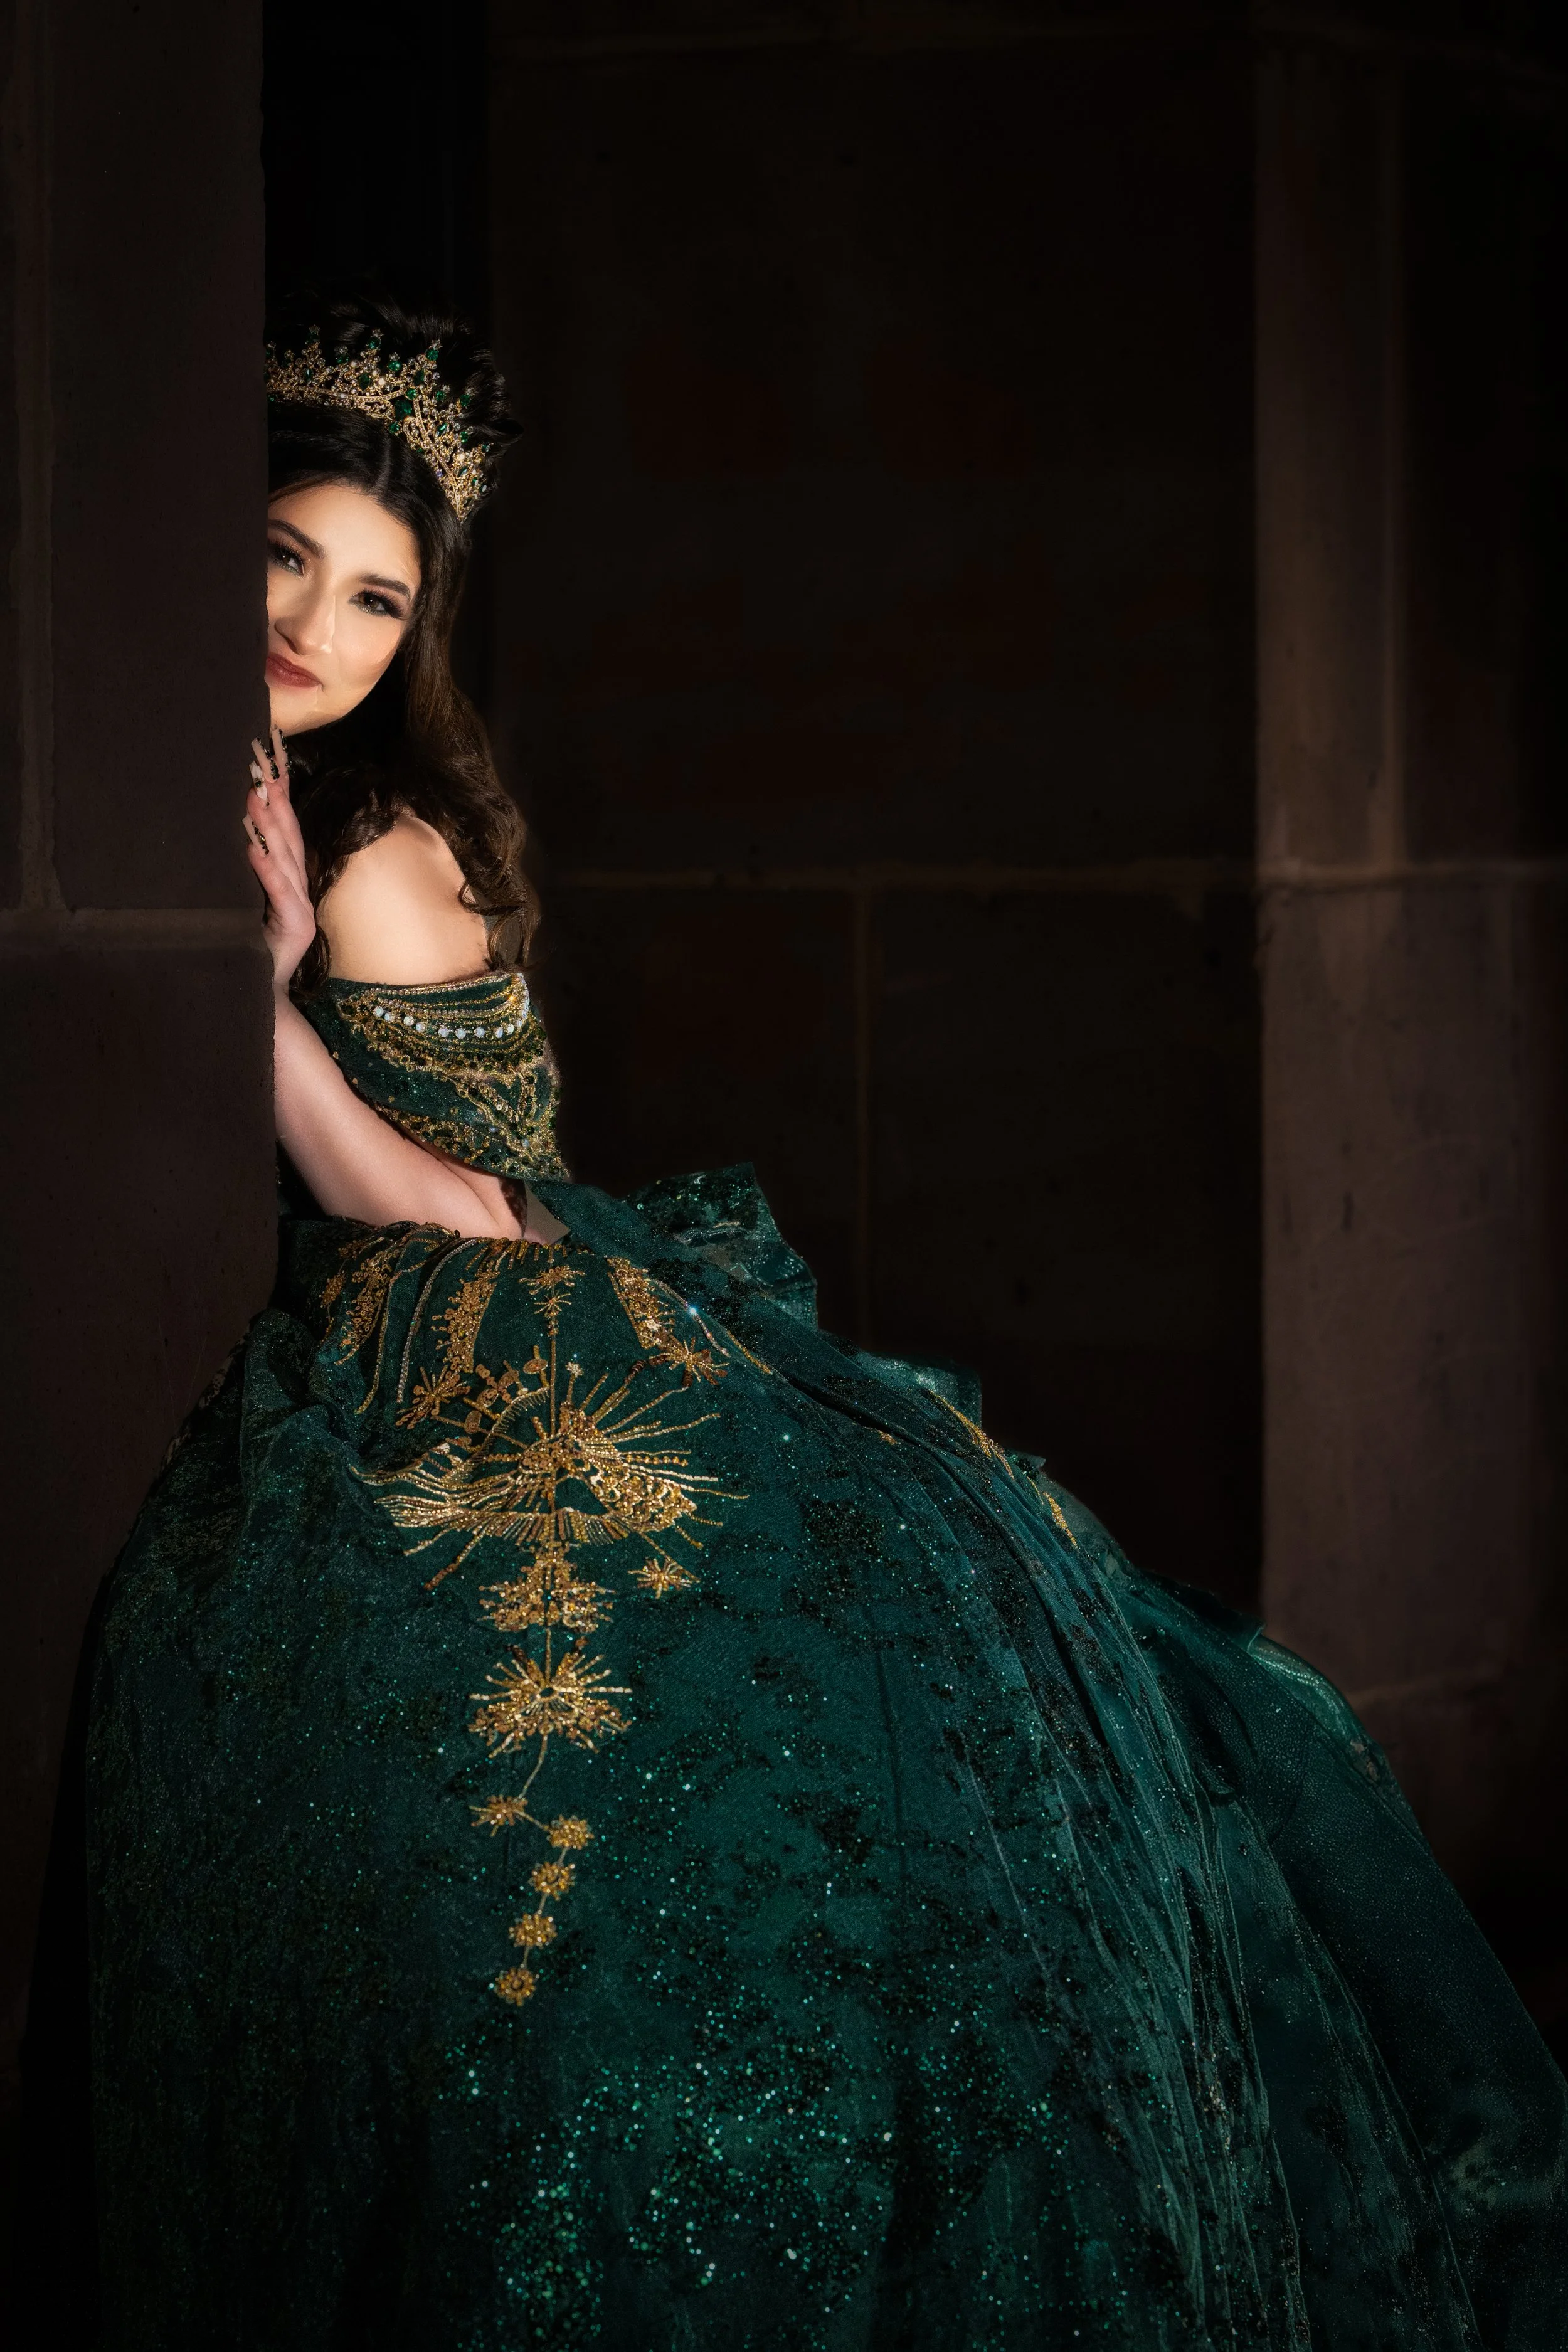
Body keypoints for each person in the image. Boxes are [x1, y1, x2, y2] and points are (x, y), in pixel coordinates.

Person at [49, 299, 1568, 2348]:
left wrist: (260, 1006)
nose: (319, 627)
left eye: (381, 598)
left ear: (425, 637)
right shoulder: (228, 793)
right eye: (277, 556)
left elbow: (448, 1204)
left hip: (491, 1307)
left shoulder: (370, 852)